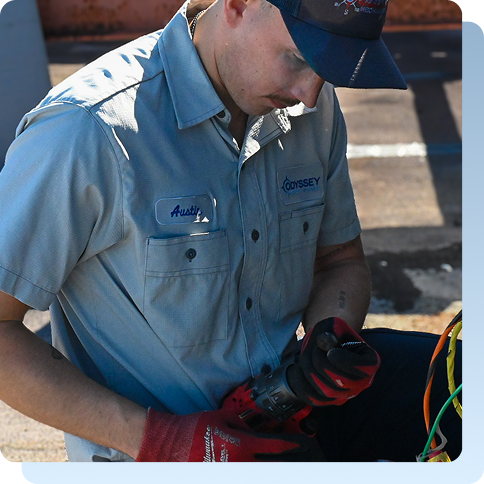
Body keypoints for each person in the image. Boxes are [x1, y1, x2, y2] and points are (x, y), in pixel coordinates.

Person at [0, 0, 461, 462]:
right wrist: (160, 440)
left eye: (328, 68)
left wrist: (327, 340)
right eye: (300, 59)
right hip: (155, 451)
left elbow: (339, 261)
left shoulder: (307, 107)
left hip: (286, 412)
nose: (311, 94)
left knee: (459, 384)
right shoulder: (88, 132)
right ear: (239, 4)